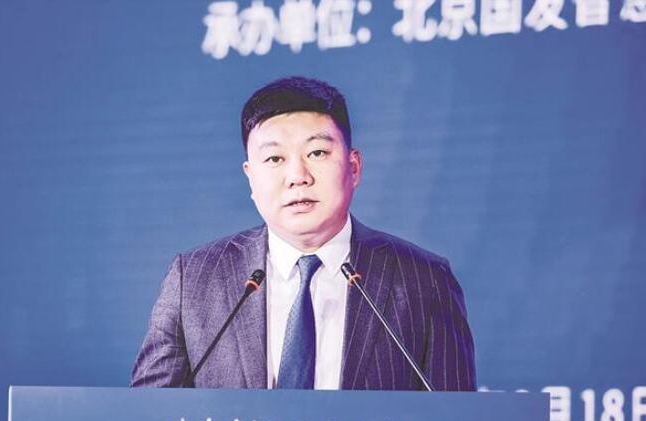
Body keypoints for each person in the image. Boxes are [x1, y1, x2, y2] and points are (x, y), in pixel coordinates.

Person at [131, 76, 475, 391]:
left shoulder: (424, 280)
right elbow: (146, 420)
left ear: (354, 167)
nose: (298, 176)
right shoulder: (194, 280)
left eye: (317, 153)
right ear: (250, 177)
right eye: (274, 159)